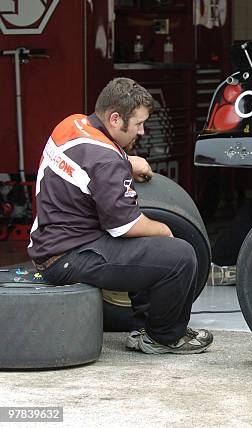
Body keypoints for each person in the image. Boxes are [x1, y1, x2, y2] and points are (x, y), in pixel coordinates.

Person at [27, 77, 213, 354]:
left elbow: (91, 159)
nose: (141, 131)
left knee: (149, 246)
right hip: (66, 257)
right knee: (179, 254)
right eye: (137, 124)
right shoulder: (107, 162)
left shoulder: (72, 124)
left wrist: (126, 162)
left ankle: (142, 329)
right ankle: (163, 337)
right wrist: (163, 230)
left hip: (53, 243)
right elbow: (126, 226)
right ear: (115, 119)